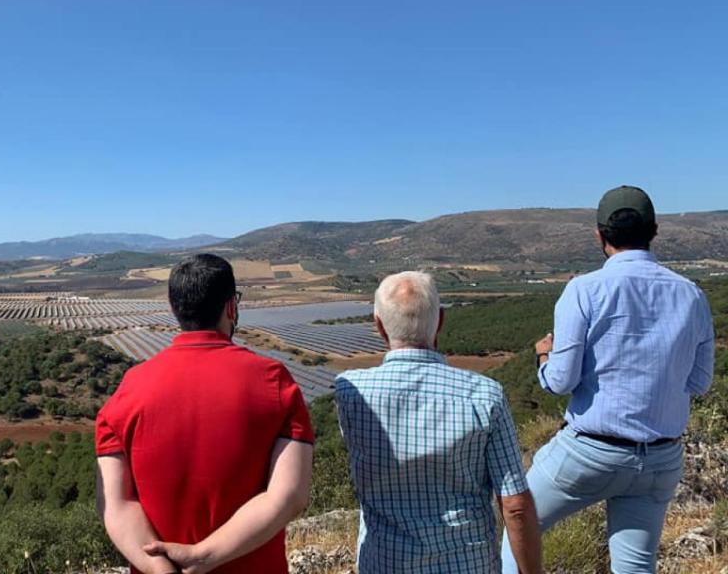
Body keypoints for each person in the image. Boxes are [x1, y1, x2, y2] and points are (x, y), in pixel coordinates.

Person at [502, 186, 715, 573]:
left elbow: (560, 382)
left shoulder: (583, 290)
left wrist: (544, 356)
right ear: (655, 231)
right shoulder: (692, 295)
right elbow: (699, 382)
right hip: (660, 459)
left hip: (587, 454)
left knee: (517, 527)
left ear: (600, 235)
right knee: (634, 566)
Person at [95, 253, 315, 574]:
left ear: (174, 309)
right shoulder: (274, 381)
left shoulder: (128, 391)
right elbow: (290, 495)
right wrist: (203, 555)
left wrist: (160, 569)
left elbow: (115, 505)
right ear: (231, 307)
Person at [336, 271, 542, 574]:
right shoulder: (485, 395)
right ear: (441, 322)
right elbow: (515, 505)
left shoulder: (349, 392)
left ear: (378, 325)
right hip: (468, 564)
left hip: (385, 563)